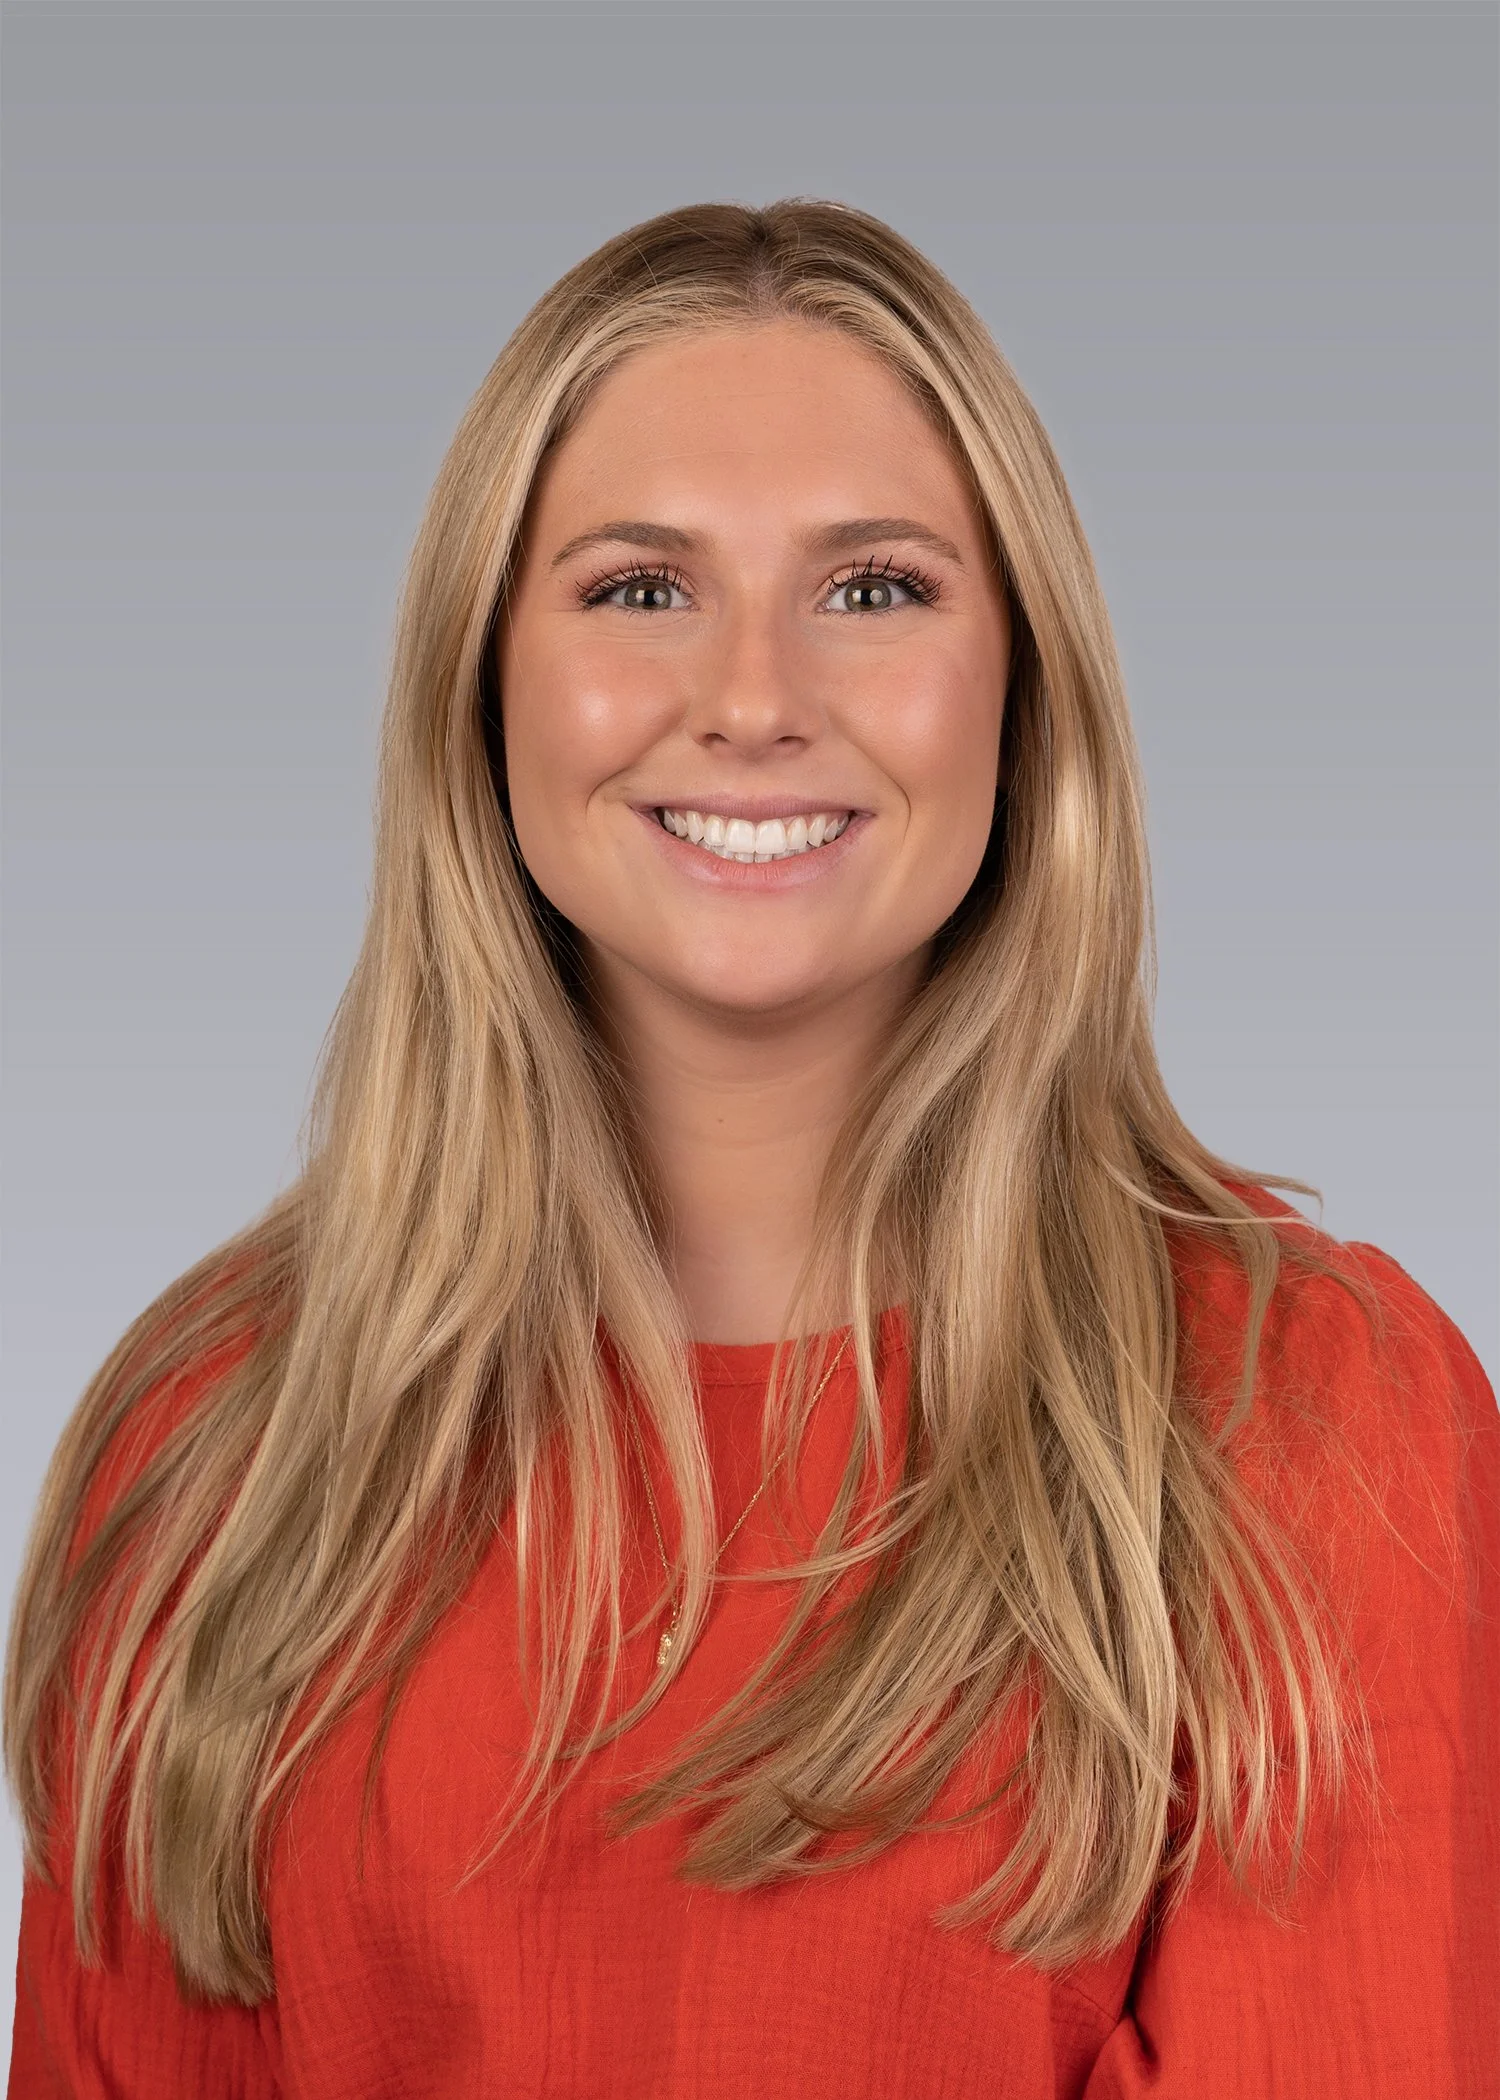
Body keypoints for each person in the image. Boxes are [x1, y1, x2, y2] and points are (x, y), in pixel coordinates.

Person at [5, 199, 1496, 2100]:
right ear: (485, 689)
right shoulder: (226, 1444)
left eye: (873, 588)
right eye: (640, 588)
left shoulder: (1319, 1427)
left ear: (1024, 692)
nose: (756, 699)